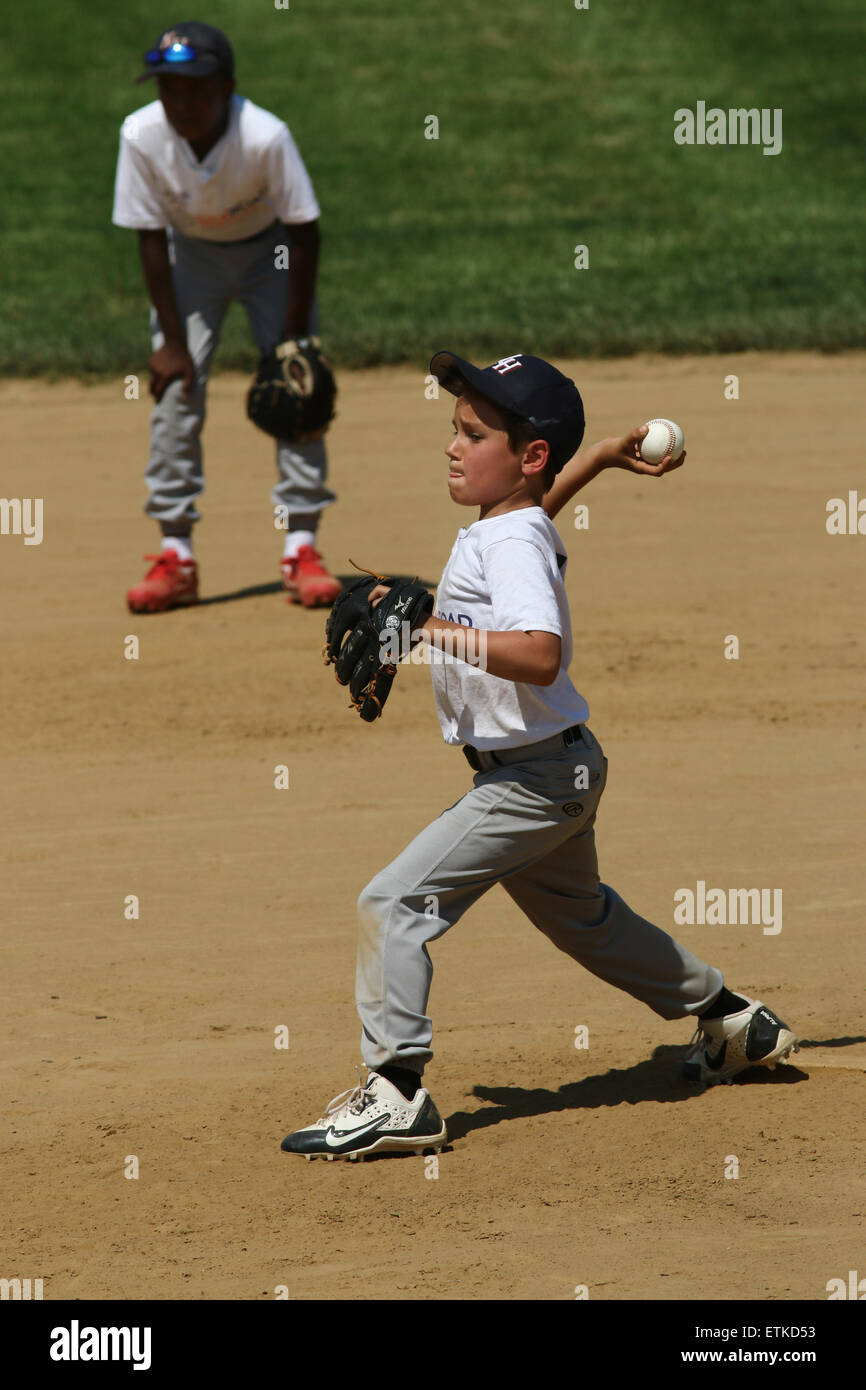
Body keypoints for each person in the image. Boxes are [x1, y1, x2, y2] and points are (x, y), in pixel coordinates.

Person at [280, 350, 798, 1162]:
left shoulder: (509, 541)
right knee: (588, 924)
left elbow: (539, 654)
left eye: (474, 433)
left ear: (525, 457)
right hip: (561, 770)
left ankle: (398, 1092)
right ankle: (731, 1018)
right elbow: (535, 510)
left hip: (531, 782)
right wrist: (592, 459)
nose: (453, 445)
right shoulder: (509, 521)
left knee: (394, 903)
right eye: (453, 428)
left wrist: (426, 629)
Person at [112, 21, 341, 612]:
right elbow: (148, 239)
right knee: (173, 391)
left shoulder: (265, 136)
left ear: (227, 86)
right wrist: (169, 342)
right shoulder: (140, 134)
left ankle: (302, 546)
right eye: (169, 88)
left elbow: (304, 230)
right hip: (188, 261)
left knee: (299, 386)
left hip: (274, 254)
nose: (179, 102)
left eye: (194, 88)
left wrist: (293, 336)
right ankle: (176, 555)